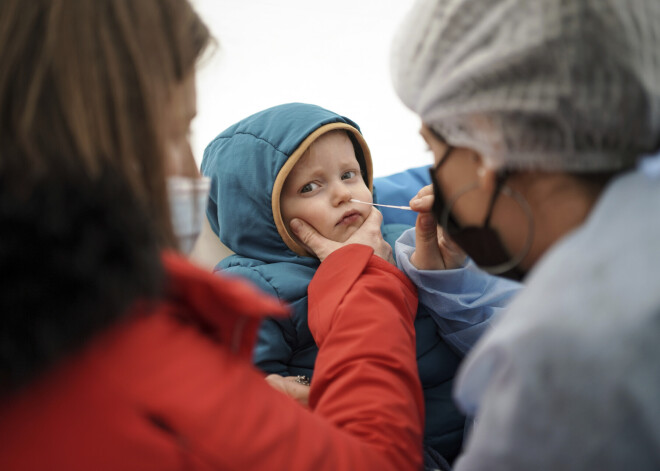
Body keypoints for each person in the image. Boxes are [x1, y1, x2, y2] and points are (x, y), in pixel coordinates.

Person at [0, 1, 427, 470]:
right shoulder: (159, 359)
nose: (189, 170)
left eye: (351, 175)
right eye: (175, 131)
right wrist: (363, 277)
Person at [367, 0, 660, 468]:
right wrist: (454, 287)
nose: (432, 179)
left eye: (433, 149)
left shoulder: (564, 358)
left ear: (487, 146)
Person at [200, 102, 520, 466]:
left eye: (349, 175)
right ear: (259, 214)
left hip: (480, 435)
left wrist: (442, 275)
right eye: (309, 187)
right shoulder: (253, 288)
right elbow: (249, 393)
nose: (342, 194)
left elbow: (495, 329)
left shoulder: (400, 240)